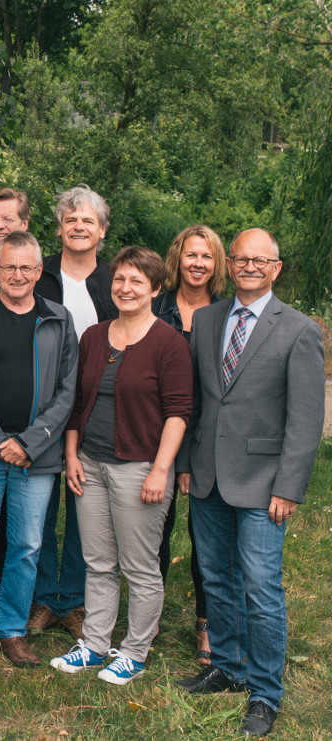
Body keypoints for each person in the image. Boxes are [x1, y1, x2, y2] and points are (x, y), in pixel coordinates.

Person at [175, 228, 324, 737]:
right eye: (242, 259)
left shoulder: (299, 330)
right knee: (216, 578)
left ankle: (264, 693)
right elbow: (196, 401)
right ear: (230, 265)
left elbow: (306, 420)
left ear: (276, 268)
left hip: (265, 484)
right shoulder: (208, 320)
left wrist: (289, 486)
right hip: (208, 475)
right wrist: (186, 464)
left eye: (261, 260)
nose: (251, 267)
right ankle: (228, 667)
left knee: (260, 588)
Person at [49, 246, 192, 685]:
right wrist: (72, 456)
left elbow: (178, 411)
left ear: (154, 288)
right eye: (120, 280)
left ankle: (134, 652)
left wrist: (161, 470)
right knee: (98, 562)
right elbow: (76, 404)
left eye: (136, 281)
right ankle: (94, 645)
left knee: (140, 567)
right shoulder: (93, 336)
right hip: (89, 463)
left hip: (139, 468)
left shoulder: (169, 342)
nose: (126, 288)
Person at [0, 232, 77, 668]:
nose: (18, 275)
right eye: (9, 267)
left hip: (36, 457)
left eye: (27, 267)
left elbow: (67, 391)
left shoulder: (59, 320)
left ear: (39, 271)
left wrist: (28, 443)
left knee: (26, 545)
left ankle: (11, 629)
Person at [28, 185, 118, 641]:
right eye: (70, 219)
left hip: (99, 405)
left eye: (88, 220)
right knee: (42, 504)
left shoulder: (115, 280)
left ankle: (76, 598)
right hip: (45, 405)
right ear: (59, 228)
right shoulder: (40, 276)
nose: (78, 227)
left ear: (101, 230)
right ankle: (45, 597)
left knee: (86, 503)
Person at [151, 224, 226, 666]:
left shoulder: (225, 314)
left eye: (207, 256)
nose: (197, 263)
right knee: (154, 532)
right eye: (191, 254)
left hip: (206, 438)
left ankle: (207, 625)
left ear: (216, 265)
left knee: (206, 537)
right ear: (178, 257)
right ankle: (150, 616)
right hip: (154, 433)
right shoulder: (156, 308)